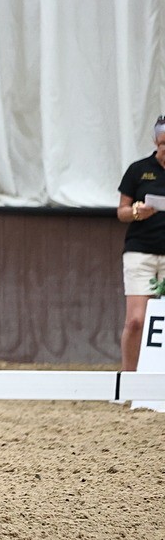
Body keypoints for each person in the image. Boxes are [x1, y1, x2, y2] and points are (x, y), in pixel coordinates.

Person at [117, 115, 165, 371]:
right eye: (162, 144)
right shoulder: (138, 170)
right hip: (141, 252)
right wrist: (137, 212)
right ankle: (129, 380)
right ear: (155, 142)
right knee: (136, 320)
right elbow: (121, 212)